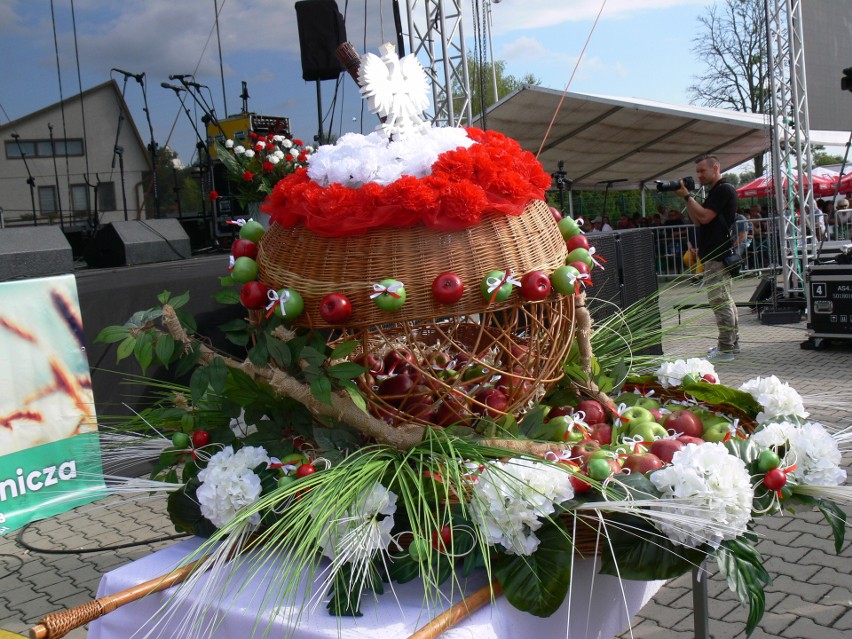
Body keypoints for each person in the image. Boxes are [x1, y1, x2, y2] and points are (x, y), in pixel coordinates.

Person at [675, 154, 739, 361]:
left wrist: (687, 196)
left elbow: (704, 216)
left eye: (702, 171)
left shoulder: (723, 190)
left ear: (716, 168)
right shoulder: (715, 191)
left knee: (720, 301)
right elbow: (698, 220)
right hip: (712, 254)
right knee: (724, 300)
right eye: (697, 172)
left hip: (718, 254)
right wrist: (688, 198)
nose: (699, 175)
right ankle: (730, 344)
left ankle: (727, 348)